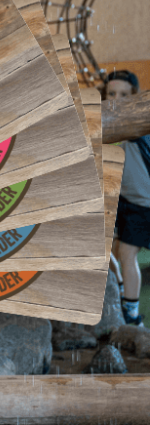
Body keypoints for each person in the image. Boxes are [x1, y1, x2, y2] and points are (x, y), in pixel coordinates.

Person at [105, 70, 148, 326]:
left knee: (127, 253)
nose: (116, 100)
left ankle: (132, 316)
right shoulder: (110, 122)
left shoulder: (135, 122)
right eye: (111, 94)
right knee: (106, 247)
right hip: (121, 198)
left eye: (124, 95)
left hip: (142, 203)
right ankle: (121, 289)